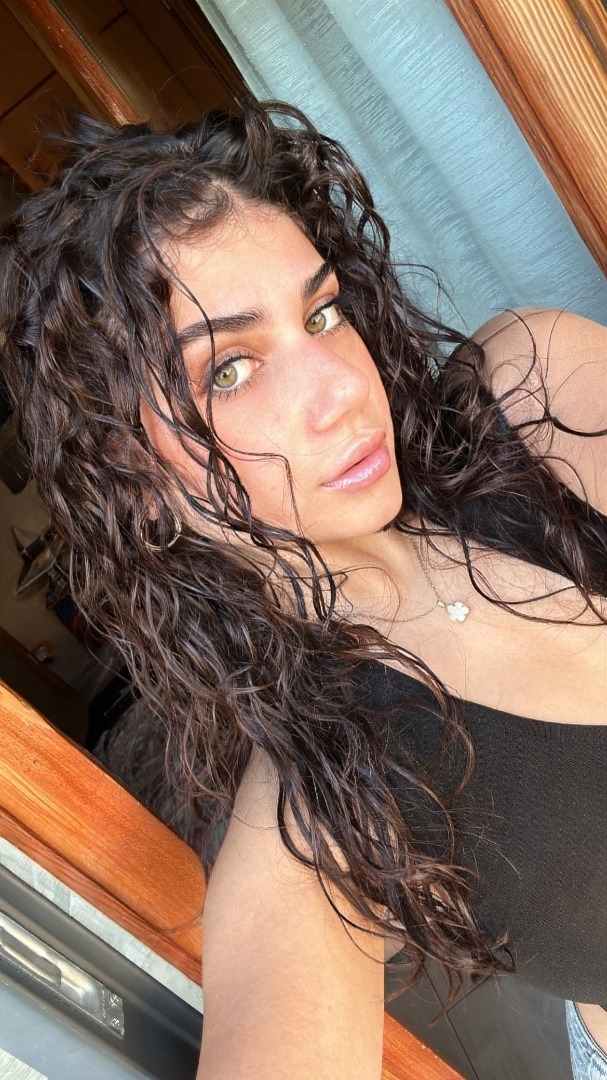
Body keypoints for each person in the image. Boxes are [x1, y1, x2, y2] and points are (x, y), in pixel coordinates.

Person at [1, 101, 605, 1080]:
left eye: (321, 313)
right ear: (134, 481)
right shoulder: (320, 800)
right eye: (230, 370)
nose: (339, 388)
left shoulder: (529, 393)